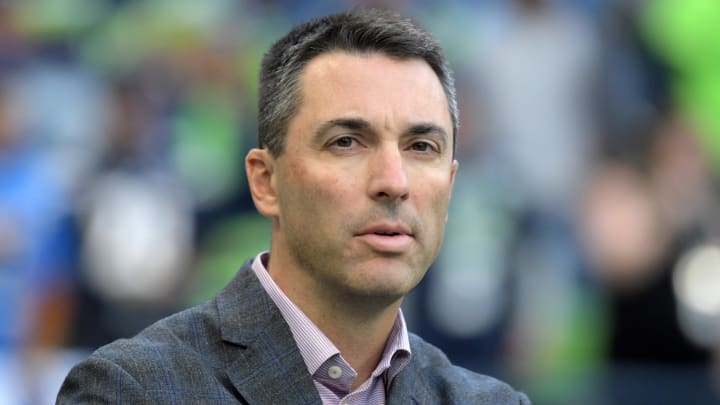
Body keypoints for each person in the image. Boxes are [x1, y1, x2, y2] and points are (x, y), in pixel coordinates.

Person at [57, 9, 530, 404]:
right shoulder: (132, 391)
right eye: (347, 142)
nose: (394, 182)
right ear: (265, 183)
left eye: (422, 146)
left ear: (449, 186)